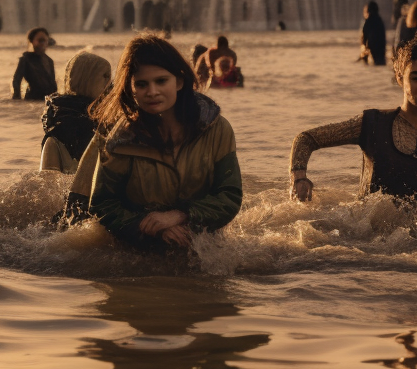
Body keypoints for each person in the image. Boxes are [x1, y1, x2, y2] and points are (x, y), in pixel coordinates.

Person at [83, 33, 243, 247]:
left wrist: (182, 215)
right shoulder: (121, 140)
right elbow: (103, 204)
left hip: (204, 247)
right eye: (141, 84)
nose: (152, 92)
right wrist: (149, 228)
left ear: (179, 81)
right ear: (131, 89)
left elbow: (229, 196)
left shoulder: (216, 129)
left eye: (161, 81)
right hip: (138, 249)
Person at [289, 37, 417, 203]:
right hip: (368, 237)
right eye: (416, 77)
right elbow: (306, 139)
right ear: (399, 77)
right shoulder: (373, 124)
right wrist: (299, 179)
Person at [40, 51, 112, 173]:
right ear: (86, 78)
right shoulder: (57, 135)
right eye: (105, 75)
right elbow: (47, 185)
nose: (110, 81)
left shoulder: (109, 121)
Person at [12, 27, 57, 101]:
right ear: (32, 41)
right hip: (32, 99)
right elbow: (16, 80)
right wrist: (17, 98)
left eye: (44, 40)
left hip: (47, 100)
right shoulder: (26, 59)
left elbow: (53, 83)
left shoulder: (49, 61)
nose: (42, 43)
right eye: (40, 41)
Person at [360, 2, 387, 66]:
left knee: (376, 63)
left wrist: (364, 49)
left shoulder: (368, 21)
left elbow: (364, 36)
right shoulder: (379, 20)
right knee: (381, 62)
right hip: (381, 47)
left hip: (373, 47)